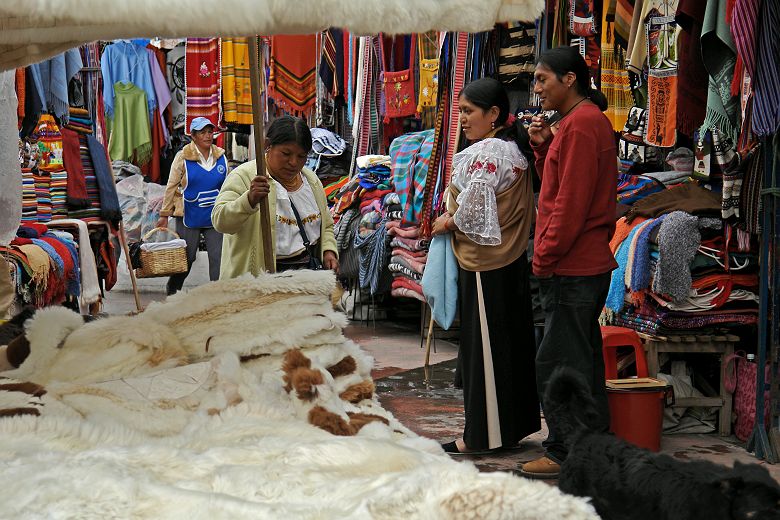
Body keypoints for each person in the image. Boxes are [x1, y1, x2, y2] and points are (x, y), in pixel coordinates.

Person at [519, 46, 617, 479]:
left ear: (569, 79)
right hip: (582, 263)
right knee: (581, 357)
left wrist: (544, 256)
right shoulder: (579, 125)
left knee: (559, 362)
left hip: (573, 265)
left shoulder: (581, 126)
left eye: (542, 79)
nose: (537, 89)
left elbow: (569, 206)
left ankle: (565, 451)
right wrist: (543, 149)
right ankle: (593, 449)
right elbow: (559, 187)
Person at [431, 77, 540, 454]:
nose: (462, 119)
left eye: (468, 111)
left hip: (484, 264)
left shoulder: (489, 151)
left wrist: (446, 222)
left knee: (485, 349)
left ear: (493, 114)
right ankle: (506, 428)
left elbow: (475, 210)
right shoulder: (510, 148)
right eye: (460, 110)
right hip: (505, 262)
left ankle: (480, 436)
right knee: (508, 344)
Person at [212, 115, 338, 277]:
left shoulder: (311, 181)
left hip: (307, 281)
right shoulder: (244, 176)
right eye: (286, 153)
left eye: (301, 156)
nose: (293, 162)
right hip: (257, 285)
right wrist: (248, 200)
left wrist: (328, 250)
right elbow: (220, 222)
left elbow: (326, 225)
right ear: (267, 146)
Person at [157, 117, 227, 295]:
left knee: (217, 255)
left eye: (210, 131)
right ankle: (173, 288)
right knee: (187, 256)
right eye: (202, 132)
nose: (207, 135)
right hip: (189, 213)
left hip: (214, 214)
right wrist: (164, 214)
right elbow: (172, 185)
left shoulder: (221, 156)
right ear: (193, 136)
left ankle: (216, 294)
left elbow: (228, 185)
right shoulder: (183, 156)